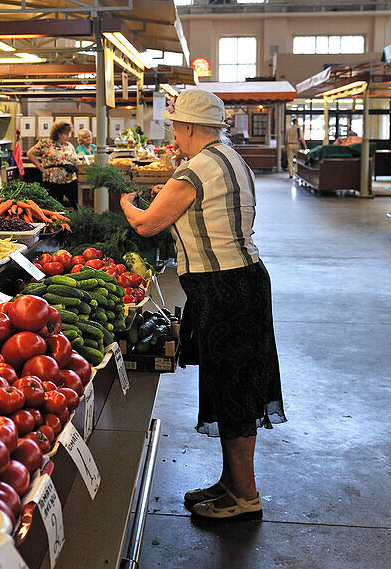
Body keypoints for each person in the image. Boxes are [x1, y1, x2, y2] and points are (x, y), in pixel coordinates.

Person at [119, 88, 285, 521]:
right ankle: (230, 482)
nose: (174, 134)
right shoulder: (228, 158)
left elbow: (148, 223)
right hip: (244, 279)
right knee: (231, 382)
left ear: (189, 127)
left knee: (232, 387)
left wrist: (126, 203)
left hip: (223, 287)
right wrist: (168, 190)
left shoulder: (194, 169)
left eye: (176, 126)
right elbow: (204, 204)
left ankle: (244, 496)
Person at [27, 121, 78, 207]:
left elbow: (75, 160)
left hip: (69, 178)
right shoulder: (45, 143)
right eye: (65, 134)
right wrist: (40, 166)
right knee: (55, 205)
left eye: (69, 134)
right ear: (58, 133)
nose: (68, 137)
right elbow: (30, 153)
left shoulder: (69, 145)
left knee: (76, 203)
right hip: (52, 179)